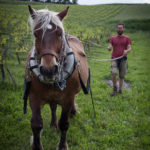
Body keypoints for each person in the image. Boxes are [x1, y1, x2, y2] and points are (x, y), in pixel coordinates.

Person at [108, 23, 131, 96]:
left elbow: (129, 47)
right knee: (113, 73)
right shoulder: (113, 38)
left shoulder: (127, 38)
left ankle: (120, 89)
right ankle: (115, 89)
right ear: (117, 29)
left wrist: (126, 51)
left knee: (121, 76)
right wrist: (109, 48)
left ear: (123, 29)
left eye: (121, 28)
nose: (119, 29)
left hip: (123, 59)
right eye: (118, 28)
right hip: (114, 58)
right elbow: (110, 45)